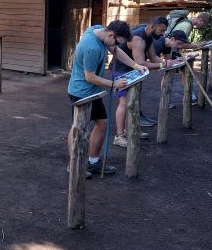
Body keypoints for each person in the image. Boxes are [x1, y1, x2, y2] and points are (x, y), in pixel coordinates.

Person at [68, 21, 147, 177]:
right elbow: (89, 77)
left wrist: (136, 66)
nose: (116, 45)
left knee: (102, 123)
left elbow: (115, 50)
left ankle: (93, 162)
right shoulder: (92, 48)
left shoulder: (98, 30)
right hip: (81, 91)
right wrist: (113, 84)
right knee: (78, 128)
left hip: (94, 91)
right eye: (117, 41)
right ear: (111, 35)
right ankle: (74, 165)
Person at [112, 30, 184, 148]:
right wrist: (163, 64)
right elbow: (144, 62)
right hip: (122, 70)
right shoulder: (153, 42)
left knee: (134, 100)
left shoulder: (157, 42)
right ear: (173, 39)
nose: (179, 47)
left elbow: (157, 59)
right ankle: (119, 136)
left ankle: (130, 130)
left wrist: (170, 62)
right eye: (179, 44)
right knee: (124, 103)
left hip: (134, 70)